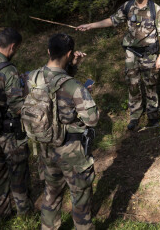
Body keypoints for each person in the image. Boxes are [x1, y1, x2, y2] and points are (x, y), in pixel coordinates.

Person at [29, 33, 99, 230]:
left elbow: (54, 86)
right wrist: (85, 95)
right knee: (81, 197)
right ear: (69, 53)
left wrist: (72, 66)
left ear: (49, 51)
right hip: (72, 152)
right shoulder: (75, 87)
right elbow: (92, 119)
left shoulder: (31, 78)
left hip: (45, 148)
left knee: (51, 194)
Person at [78, 0, 160, 131]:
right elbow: (113, 20)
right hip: (131, 53)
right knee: (133, 84)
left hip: (149, 53)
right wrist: (90, 26)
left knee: (150, 85)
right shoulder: (128, 6)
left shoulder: (156, 10)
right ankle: (135, 116)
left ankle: (152, 116)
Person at [0, 27, 32, 222]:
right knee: (18, 173)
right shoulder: (9, 70)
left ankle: (0, 215)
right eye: (16, 48)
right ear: (12, 46)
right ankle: (25, 215)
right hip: (9, 133)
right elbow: (17, 107)